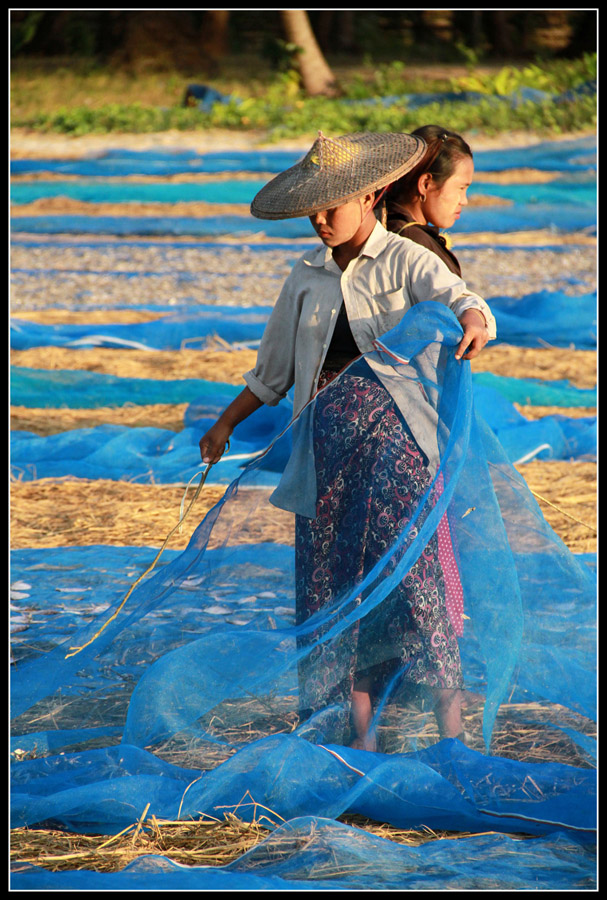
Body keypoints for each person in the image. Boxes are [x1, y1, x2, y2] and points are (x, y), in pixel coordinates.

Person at [199, 131, 496, 750]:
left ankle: (454, 737)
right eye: (312, 209)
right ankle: (356, 739)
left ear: (371, 195)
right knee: (335, 588)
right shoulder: (305, 278)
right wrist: (226, 422)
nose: (319, 220)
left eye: (331, 206)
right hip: (327, 457)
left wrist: (472, 319)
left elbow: (460, 297)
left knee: (417, 586)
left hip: (398, 452)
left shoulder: (405, 260)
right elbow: (273, 372)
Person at [385, 124, 474, 277]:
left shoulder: (386, 221)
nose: (464, 201)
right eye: (460, 188)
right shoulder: (412, 243)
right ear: (426, 184)